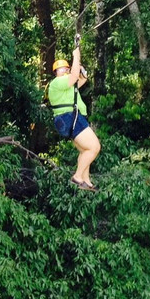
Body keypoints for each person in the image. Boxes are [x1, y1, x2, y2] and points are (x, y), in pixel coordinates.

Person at [47, 39, 100, 190]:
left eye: (66, 68)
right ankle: (77, 176)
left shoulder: (68, 86)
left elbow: (82, 79)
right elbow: (74, 76)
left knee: (85, 150)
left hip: (70, 119)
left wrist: (80, 69)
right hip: (69, 117)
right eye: (61, 69)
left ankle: (86, 180)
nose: (64, 70)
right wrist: (76, 56)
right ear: (56, 73)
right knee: (94, 147)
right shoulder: (57, 83)